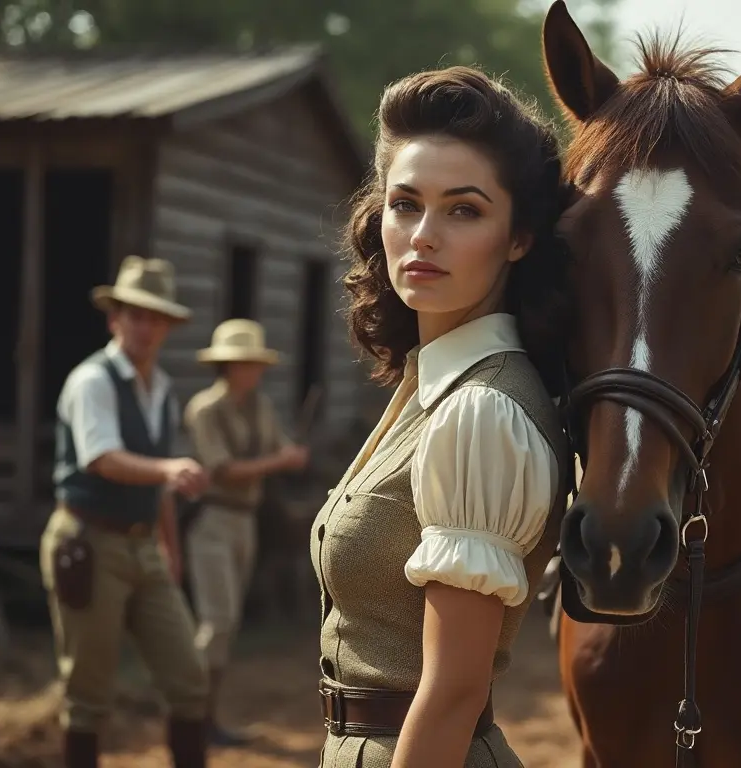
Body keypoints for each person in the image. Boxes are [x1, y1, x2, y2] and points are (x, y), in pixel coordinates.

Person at [310, 66, 571, 768]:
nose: (423, 235)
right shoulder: (432, 384)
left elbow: (453, 693)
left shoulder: (482, 413)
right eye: (405, 204)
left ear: (517, 238)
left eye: (463, 210)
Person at [39, 255, 211, 768]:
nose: (146, 326)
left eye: (156, 317)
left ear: (167, 326)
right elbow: (101, 458)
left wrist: (170, 552)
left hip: (144, 547)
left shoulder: (159, 390)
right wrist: (165, 470)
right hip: (90, 542)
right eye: (136, 314)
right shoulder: (92, 381)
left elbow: (159, 486)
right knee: (88, 695)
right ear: (115, 319)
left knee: (189, 680)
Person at [183, 318, 310, 746]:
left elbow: (280, 446)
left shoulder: (260, 408)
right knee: (215, 622)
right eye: (245, 364)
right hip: (213, 519)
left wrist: (291, 454)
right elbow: (225, 470)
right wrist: (283, 461)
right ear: (228, 366)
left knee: (228, 623)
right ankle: (186, 713)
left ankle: (206, 717)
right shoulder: (206, 408)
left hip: (245, 521)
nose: (253, 372)